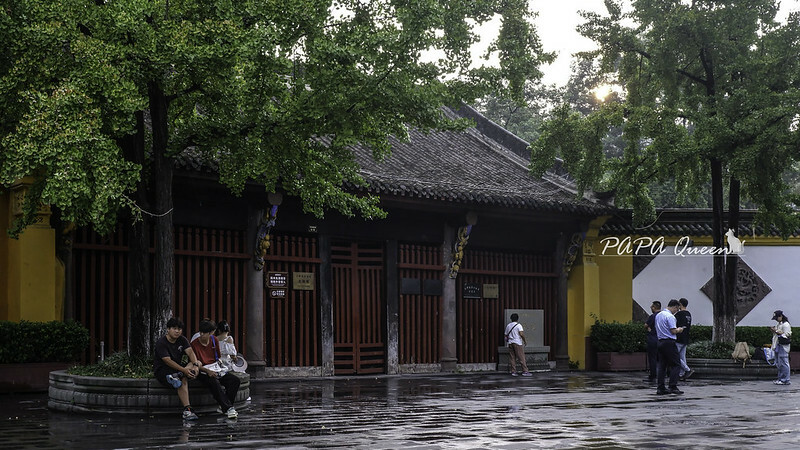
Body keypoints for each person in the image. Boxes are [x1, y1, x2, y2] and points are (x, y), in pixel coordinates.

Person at [190, 319, 241, 418]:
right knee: (214, 382)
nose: (202, 335)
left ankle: (225, 406)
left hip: (215, 368)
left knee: (235, 381)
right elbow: (195, 363)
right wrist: (208, 371)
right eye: (201, 332)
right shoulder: (194, 344)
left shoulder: (214, 340)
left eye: (205, 333)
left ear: (212, 332)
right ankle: (228, 408)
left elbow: (217, 357)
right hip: (202, 370)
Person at [153, 317, 201, 420]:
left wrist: (195, 367)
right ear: (168, 329)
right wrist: (184, 370)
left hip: (177, 370)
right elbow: (167, 361)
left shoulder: (182, 339)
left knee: (198, 363)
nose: (177, 331)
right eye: (174, 328)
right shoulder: (161, 342)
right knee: (182, 379)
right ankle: (187, 410)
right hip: (163, 370)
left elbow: (190, 352)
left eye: (179, 329)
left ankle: (180, 375)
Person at [655, 299, 686, 395]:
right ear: (675, 307)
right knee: (676, 364)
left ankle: (660, 387)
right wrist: (679, 329)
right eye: (677, 309)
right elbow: (673, 331)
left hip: (660, 341)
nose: (676, 311)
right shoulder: (670, 317)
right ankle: (672, 386)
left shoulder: (659, 315)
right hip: (669, 342)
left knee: (662, 365)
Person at [770, 310, 792, 385]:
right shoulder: (779, 324)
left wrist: (776, 331)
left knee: (784, 363)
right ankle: (781, 379)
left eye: (777, 318)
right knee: (779, 363)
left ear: (781, 316)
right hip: (778, 345)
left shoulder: (786, 325)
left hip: (783, 345)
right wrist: (775, 331)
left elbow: (786, 335)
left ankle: (785, 379)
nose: (776, 319)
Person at [675, 298, 694, 381]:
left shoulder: (679, 314)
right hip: (686, 337)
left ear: (680, 304)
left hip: (679, 338)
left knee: (675, 356)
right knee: (682, 357)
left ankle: (687, 370)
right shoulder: (688, 314)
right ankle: (682, 374)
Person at [644, 301, 661, 382]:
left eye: (651, 307)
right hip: (661, 339)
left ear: (654, 307)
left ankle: (653, 375)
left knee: (652, 358)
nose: (651, 308)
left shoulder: (653, 316)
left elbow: (646, 325)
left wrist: (648, 328)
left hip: (653, 339)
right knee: (660, 358)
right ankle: (661, 375)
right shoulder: (663, 315)